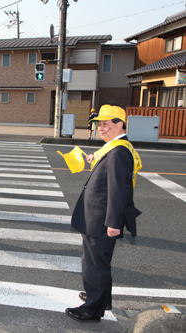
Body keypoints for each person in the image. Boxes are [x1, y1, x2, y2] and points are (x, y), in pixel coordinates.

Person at [65, 105, 142, 323]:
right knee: (99, 262)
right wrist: (94, 159)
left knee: (94, 264)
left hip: (100, 219)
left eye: (107, 124)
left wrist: (113, 222)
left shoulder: (118, 152)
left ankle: (92, 309)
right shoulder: (115, 148)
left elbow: (119, 190)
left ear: (120, 124)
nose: (102, 128)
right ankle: (101, 299)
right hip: (99, 217)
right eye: (99, 124)